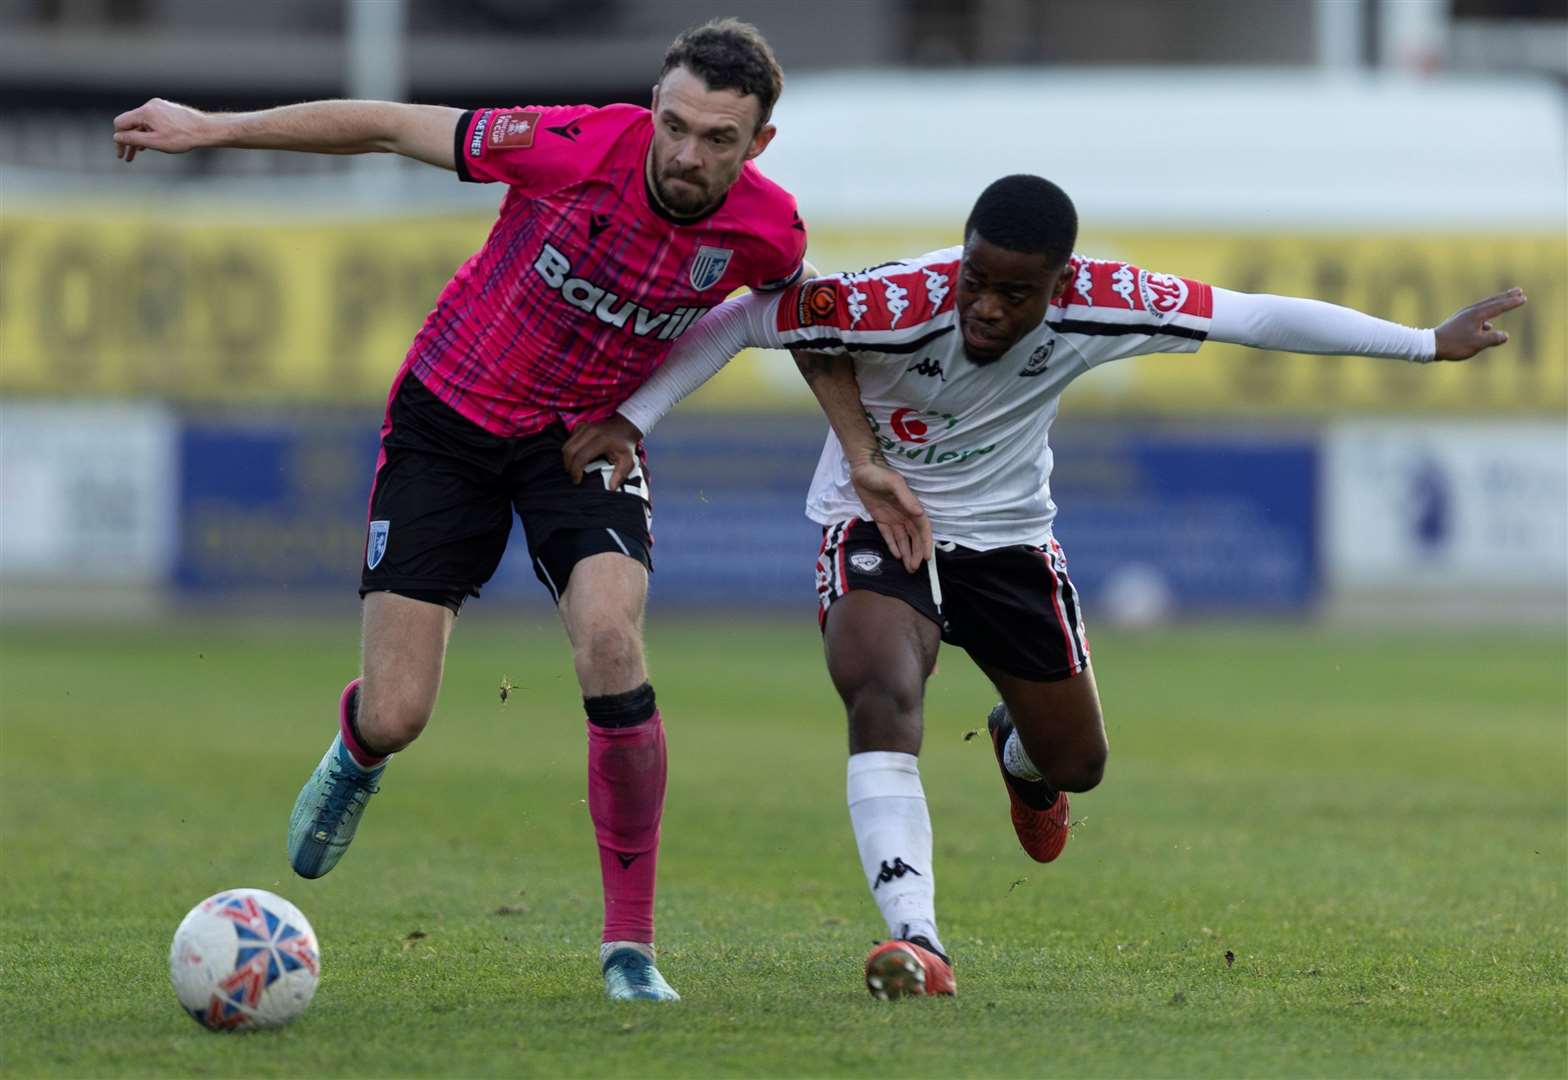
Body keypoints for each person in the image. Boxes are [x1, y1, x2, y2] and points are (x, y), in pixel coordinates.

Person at [561, 174, 1526, 999]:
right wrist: (636, 417)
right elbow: (744, 321)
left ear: (1058, 284)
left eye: (1013, 293)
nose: (984, 307)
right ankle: (919, 938)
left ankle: (1020, 758)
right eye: (976, 279)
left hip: (1013, 542)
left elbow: (1256, 316)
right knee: (879, 688)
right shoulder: (895, 299)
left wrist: (1423, 344)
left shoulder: (1107, 299)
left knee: (1080, 763)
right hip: (879, 524)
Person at [112, 19, 808, 1003]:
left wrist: (855, 458)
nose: (688, 153)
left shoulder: (769, 229)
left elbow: (781, 317)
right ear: (653, 106)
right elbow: (392, 125)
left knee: (611, 642)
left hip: (578, 438)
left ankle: (630, 950)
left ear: (758, 146)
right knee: (401, 711)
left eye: (717, 139)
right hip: (450, 416)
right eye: (674, 124)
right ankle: (360, 747)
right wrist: (214, 130)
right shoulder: (566, 145)